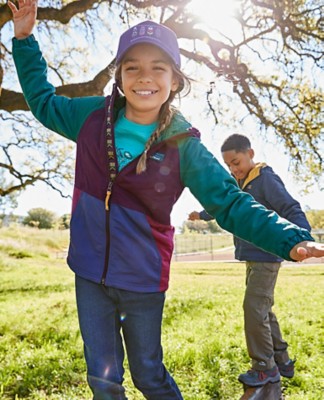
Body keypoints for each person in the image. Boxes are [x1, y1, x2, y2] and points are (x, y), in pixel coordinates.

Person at [9, 1, 324, 399]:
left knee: (149, 375)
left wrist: (290, 237)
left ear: (174, 80)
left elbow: (229, 203)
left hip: (142, 279)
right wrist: (24, 38)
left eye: (158, 67)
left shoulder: (184, 147)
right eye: (133, 67)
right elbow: (42, 102)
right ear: (120, 78)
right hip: (89, 273)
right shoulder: (90, 118)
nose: (145, 77)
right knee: (102, 380)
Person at [189, 133, 313, 387]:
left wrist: (304, 238)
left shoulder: (265, 179)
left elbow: (290, 207)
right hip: (252, 256)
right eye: (229, 166)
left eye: (236, 162)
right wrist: (201, 215)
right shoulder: (240, 183)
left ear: (250, 154)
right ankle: (282, 360)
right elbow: (224, 205)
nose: (233, 169)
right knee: (263, 308)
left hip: (266, 254)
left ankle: (264, 368)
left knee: (253, 309)